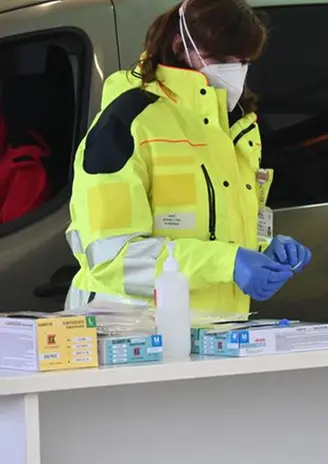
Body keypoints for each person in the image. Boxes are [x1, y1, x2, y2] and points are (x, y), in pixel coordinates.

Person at [64, 0, 312, 315]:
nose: (235, 70)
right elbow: (112, 256)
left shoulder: (237, 126)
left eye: (244, 61)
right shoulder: (128, 122)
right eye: (223, 58)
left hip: (212, 331)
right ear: (181, 46)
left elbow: (215, 227)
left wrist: (262, 248)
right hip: (127, 334)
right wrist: (230, 263)